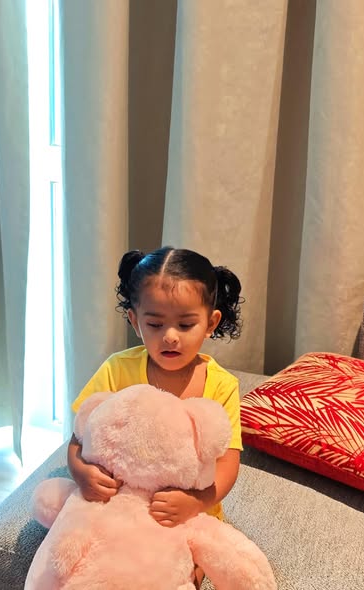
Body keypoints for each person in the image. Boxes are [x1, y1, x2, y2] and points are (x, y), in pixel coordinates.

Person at [67, 246, 243, 588]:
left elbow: (228, 464)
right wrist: (81, 472)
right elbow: (78, 437)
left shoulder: (222, 385)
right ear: (135, 321)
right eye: (155, 324)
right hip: (120, 506)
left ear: (211, 323)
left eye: (186, 324)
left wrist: (196, 502)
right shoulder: (117, 369)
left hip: (188, 515)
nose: (170, 336)